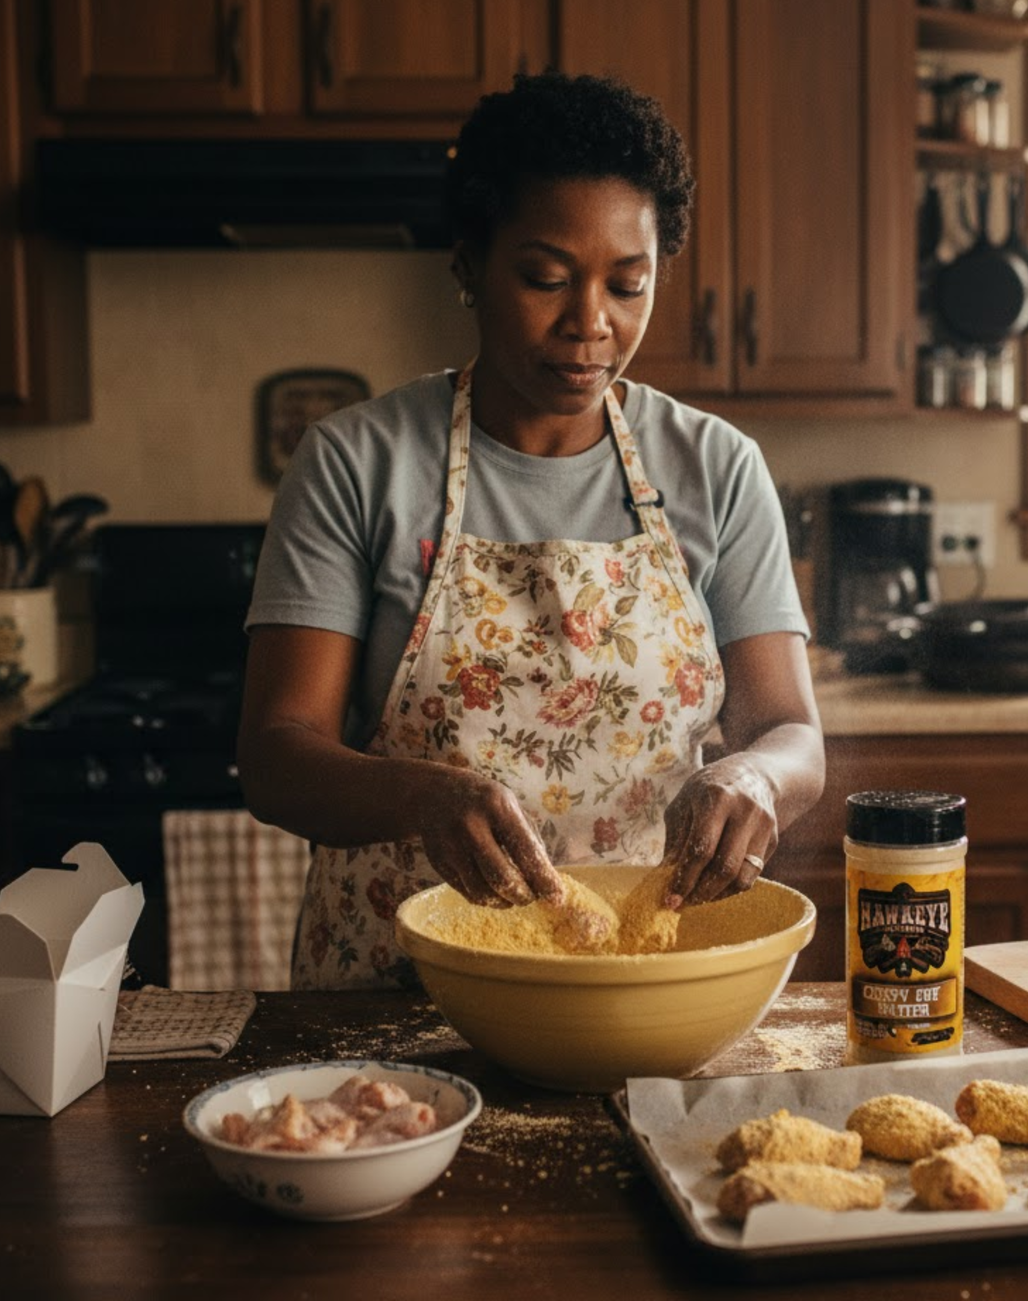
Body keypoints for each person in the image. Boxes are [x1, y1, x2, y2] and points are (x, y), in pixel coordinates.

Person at [237, 71, 824, 989]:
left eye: (629, 285)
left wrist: (755, 777)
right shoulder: (358, 462)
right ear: (468, 267)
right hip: (396, 988)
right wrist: (421, 794)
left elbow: (791, 729)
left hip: (643, 985)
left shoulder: (714, 466)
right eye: (545, 279)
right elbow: (275, 754)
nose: (591, 324)